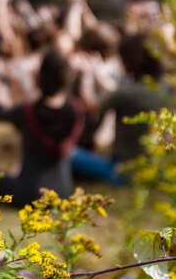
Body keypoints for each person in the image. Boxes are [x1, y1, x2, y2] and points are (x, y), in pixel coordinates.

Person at [72, 33, 167, 184]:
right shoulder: (165, 88)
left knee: (68, 153)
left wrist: (87, 74)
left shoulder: (128, 92)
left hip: (123, 172)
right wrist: (97, 72)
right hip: (158, 170)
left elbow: (91, 105)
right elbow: (117, 92)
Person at [0, 49, 85, 207]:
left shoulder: (27, 111)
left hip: (28, 192)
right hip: (62, 193)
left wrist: (6, 85)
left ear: (40, 77)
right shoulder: (76, 110)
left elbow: (1, 112)